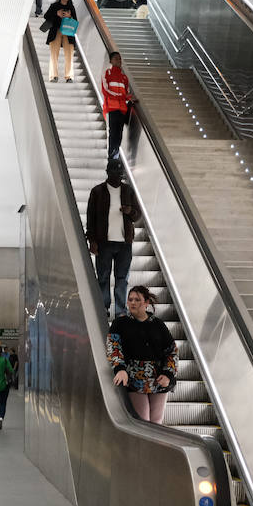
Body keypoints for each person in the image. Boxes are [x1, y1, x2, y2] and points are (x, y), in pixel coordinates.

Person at [107, 286, 177, 423]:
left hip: (158, 380)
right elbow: (113, 347)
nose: (132, 303)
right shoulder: (119, 323)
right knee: (143, 421)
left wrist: (168, 374)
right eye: (130, 299)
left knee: (157, 423)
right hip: (134, 380)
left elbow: (172, 351)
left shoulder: (158, 325)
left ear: (146, 303)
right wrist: (119, 368)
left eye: (137, 300)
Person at [86, 160, 140, 319]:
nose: (119, 176)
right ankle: (103, 307)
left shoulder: (128, 191)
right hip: (104, 243)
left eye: (120, 173)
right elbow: (91, 219)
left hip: (124, 243)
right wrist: (92, 241)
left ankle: (121, 311)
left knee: (122, 278)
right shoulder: (97, 192)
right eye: (116, 173)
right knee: (103, 276)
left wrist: (130, 211)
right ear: (108, 172)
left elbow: (137, 215)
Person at [102, 52, 136, 161]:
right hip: (112, 108)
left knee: (119, 135)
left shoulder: (124, 78)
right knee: (112, 133)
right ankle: (111, 158)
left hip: (122, 109)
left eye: (119, 59)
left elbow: (126, 93)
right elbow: (105, 91)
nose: (118, 61)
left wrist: (127, 97)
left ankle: (114, 157)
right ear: (111, 61)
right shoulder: (107, 73)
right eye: (116, 59)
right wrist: (122, 96)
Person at [42, 0, 78, 82]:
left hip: (68, 33)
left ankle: (69, 76)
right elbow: (46, 16)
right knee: (54, 54)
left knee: (69, 54)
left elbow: (76, 21)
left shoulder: (71, 7)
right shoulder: (54, 5)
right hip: (55, 31)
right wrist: (56, 13)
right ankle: (53, 76)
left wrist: (69, 16)